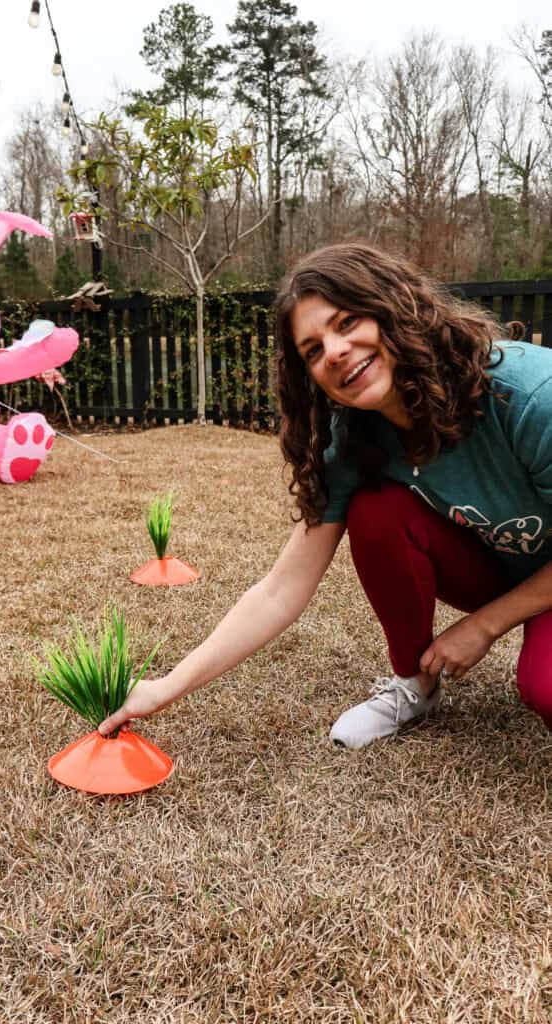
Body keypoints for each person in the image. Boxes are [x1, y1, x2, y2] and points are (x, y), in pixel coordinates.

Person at [99, 243, 552, 749]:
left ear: (394, 310)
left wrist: (486, 625)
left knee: (546, 689)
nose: (334, 352)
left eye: (347, 322)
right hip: (500, 564)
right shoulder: (356, 439)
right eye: (312, 350)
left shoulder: (530, 394)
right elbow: (280, 589)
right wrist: (165, 688)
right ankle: (414, 686)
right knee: (377, 511)